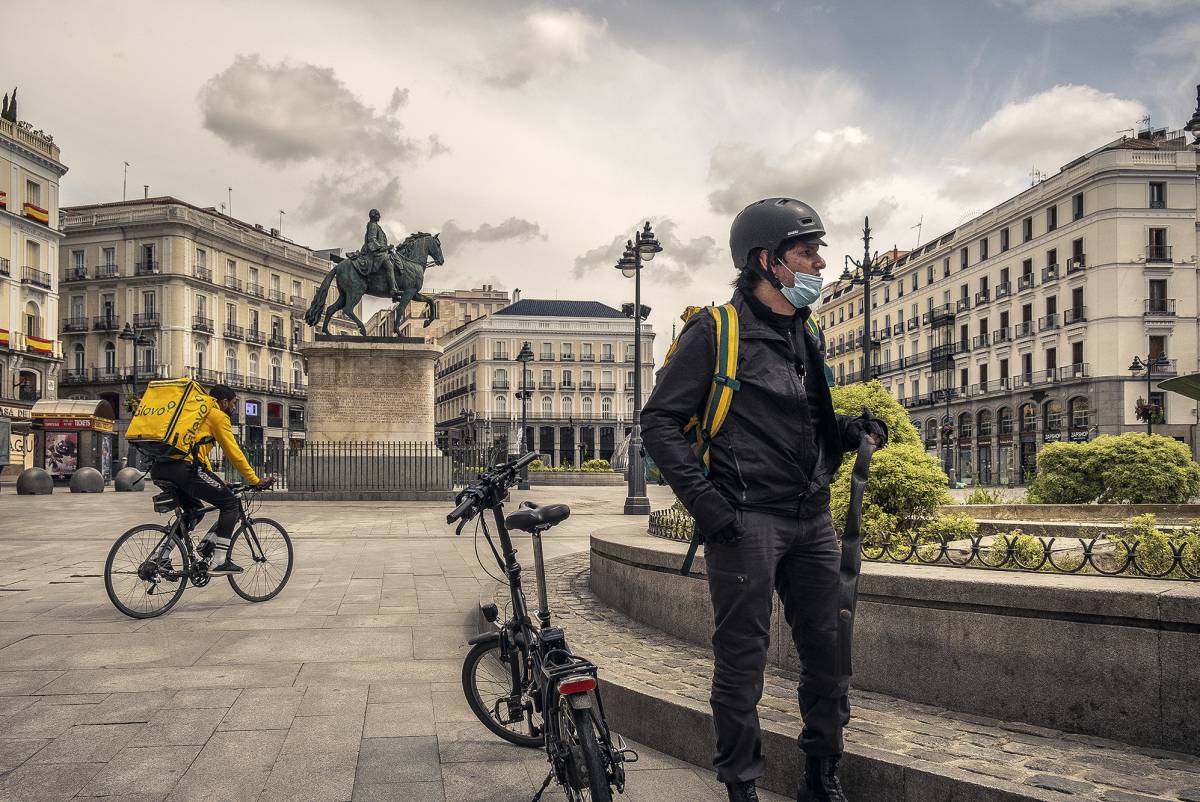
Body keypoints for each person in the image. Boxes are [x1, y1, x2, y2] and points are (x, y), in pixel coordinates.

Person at [641, 198, 887, 802]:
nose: (821, 263)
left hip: (812, 520)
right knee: (741, 666)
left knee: (831, 656)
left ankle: (820, 776)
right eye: (807, 252)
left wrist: (849, 430)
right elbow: (659, 422)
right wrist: (709, 507)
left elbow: (806, 417)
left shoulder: (807, 334)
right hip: (746, 522)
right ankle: (741, 786)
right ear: (766, 261)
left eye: (817, 251)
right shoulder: (715, 332)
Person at [149, 383, 273, 574]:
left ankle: (161, 556)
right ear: (224, 402)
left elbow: (197, 450)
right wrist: (255, 479)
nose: (233, 408)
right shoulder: (217, 416)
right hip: (184, 470)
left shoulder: (194, 414)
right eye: (233, 403)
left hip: (161, 468)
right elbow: (233, 451)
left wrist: (214, 478)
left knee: (195, 511)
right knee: (230, 504)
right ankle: (219, 560)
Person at [358, 208, 402, 301]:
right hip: (374, 252)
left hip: (379, 250)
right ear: (374, 216)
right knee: (389, 265)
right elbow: (372, 240)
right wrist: (383, 248)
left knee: (394, 260)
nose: (379, 217)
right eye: (378, 215)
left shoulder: (375, 225)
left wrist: (387, 248)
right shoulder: (373, 225)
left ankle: (394, 289)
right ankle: (393, 290)